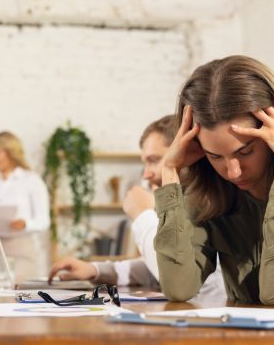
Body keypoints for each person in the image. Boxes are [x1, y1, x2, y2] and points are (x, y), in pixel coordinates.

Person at [155, 55, 274, 311]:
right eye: (215, 156)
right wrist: (169, 172)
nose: (233, 171)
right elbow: (178, 287)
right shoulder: (212, 195)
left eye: (245, 151)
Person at [49, 116, 226, 300]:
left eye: (154, 160)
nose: (147, 174)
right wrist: (96, 270)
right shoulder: (186, 203)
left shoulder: (209, 206)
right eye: (145, 162)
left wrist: (143, 216)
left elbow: (181, 279)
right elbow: (165, 263)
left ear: (189, 152)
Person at [0, 131, 50, 281]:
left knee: (17, 296)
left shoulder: (32, 180)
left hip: (20, 249)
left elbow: (44, 220)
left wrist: (25, 224)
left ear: (11, 152)